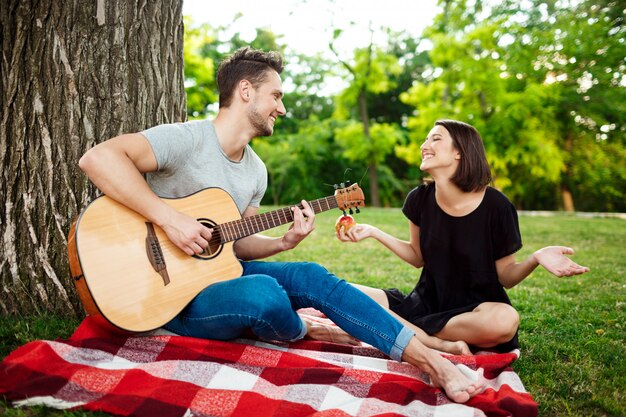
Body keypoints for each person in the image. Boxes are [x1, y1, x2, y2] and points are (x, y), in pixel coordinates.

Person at [78, 47, 484, 403]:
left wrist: (283, 243)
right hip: (165, 297)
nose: (282, 108)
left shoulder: (256, 171)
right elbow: (97, 159)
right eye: (276, 96)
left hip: (219, 275)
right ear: (245, 92)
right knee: (264, 293)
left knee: (310, 275)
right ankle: (303, 327)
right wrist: (170, 219)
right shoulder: (186, 139)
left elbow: (237, 244)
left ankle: (430, 361)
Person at [337, 119, 590, 352]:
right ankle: (432, 341)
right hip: (423, 304)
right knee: (338, 293)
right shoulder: (419, 199)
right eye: (426, 140)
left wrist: (535, 257)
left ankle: (405, 329)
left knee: (505, 321)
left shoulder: (497, 206)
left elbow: (506, 276)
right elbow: (417, 257)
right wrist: (373, 232)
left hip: (475, 312)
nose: (425, 145)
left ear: (459, 151)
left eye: (435, 139)